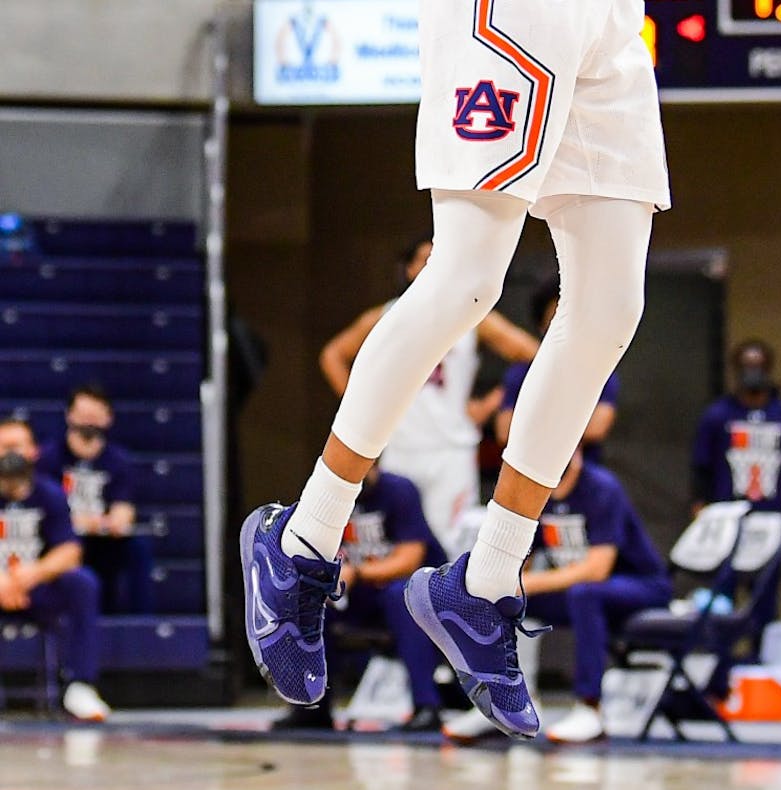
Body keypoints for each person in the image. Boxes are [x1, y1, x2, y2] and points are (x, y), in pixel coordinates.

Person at [239, 0, 669, 741]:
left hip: (608, 17)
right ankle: (302, 538)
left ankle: (484, 581)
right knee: (467, 277)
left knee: (608, 311)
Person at [319, 238, 539, 557]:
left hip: (451, 449)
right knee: (404, 546)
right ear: (408, 269)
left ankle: (445, 606)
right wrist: (364, 408)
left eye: (439, 258)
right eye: (424, 259)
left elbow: (530, 354)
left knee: (450, 545)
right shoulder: (386, 315)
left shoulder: (472, 316)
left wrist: (493, 403)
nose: (431, 265)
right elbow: (333, 355)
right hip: (399, 445)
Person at [446, 452, 671, 743]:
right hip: (581, 593)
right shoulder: (537, 491)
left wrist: (528, 582)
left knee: (583, 594)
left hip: (640, 586)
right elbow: (521, 560)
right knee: (501, 602)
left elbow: (596, 569)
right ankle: (508, 702)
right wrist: (501, 585)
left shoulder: (602, 488)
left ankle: (590, 707)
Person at [271, 466, 448, 732]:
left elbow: (410, 559)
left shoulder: (399, 491)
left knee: (399, 595)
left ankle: (427, 706)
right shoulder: (326, 497)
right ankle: (312, 706)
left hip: (413, 593)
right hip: (359, 595)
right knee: (308, 604)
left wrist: (358, 572)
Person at [690, 339, 781, 619]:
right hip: (728, 521)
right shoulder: (717, 416)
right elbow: (700, 473)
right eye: (746, 366)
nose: (752, 373)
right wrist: (701, 521)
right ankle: (722, 658)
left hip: (771, 522)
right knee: (722, 599)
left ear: (769, 369)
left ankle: (759, 655)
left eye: (758, 366)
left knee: (766, 601)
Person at [0, 418, 111, 721]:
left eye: (18, 446)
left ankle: (80, 686)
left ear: (34, 451)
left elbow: (70, 551)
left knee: (82, 582)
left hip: (35, 590)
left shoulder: (49, 493)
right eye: (5, 447)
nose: (12, 454)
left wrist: (28, 576)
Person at [34, 384, 155, 615]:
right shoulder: (48, 458)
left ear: (108, 418)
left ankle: (142, 625)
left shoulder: (119, 461)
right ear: (69, 415)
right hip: (60, 538)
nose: (89, 423)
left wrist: (114, 522)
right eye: (83, 415)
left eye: (95, 416)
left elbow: (123, 510)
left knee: (138, 548)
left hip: (101, 538)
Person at [495, 282, 620, 465]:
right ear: (542, 326)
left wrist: (534, 427)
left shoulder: (599, 371)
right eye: (558, 318)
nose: (567, 327)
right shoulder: (521, 373)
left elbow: (596, 427)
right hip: (529, 468)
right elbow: (504, 430)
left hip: (582, 469)